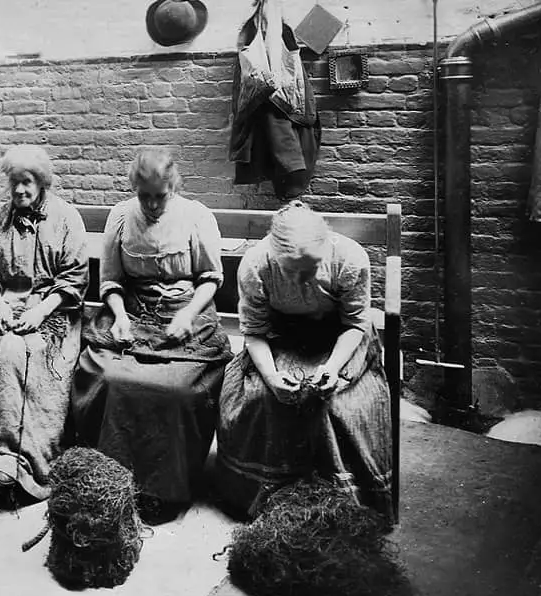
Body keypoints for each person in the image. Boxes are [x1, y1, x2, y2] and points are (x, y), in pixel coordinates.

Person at [70, 149, 233, 525]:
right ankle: (109, 481)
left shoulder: (196, 216)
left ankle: (165, 489)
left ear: (173, 186)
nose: (153, 204)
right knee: (110, 377)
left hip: (187, 311)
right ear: (134, 189)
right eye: (145, 196)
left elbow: (210, 278)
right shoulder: (121, 216)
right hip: (133, 311)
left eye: (160, 196)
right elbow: (110, 281)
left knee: (176, 388)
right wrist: (121, 315)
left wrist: (190, 314)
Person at [215, 200, 394, 522]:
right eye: (291, 271)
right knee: (262, 399)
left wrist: (332, 368)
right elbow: (254, 331)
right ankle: (274, 497)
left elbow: (355, 324)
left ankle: (342, 503)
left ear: (326, 247)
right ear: (274, 253)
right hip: (282, 335)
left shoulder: (349, 258)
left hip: (339, 336)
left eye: (310, 268)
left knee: (339, 405)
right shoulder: (256, 264)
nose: (301, 281)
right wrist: (270, 375)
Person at [0, 145, 89, 513]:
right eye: (14, 183)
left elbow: (75, 277)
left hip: (53, 314)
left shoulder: (66, 219)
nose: (19, 192)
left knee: (18, 353)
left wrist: (41, 310)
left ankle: (27, 466)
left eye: (27, 183)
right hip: (2, 311)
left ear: (42, 183)